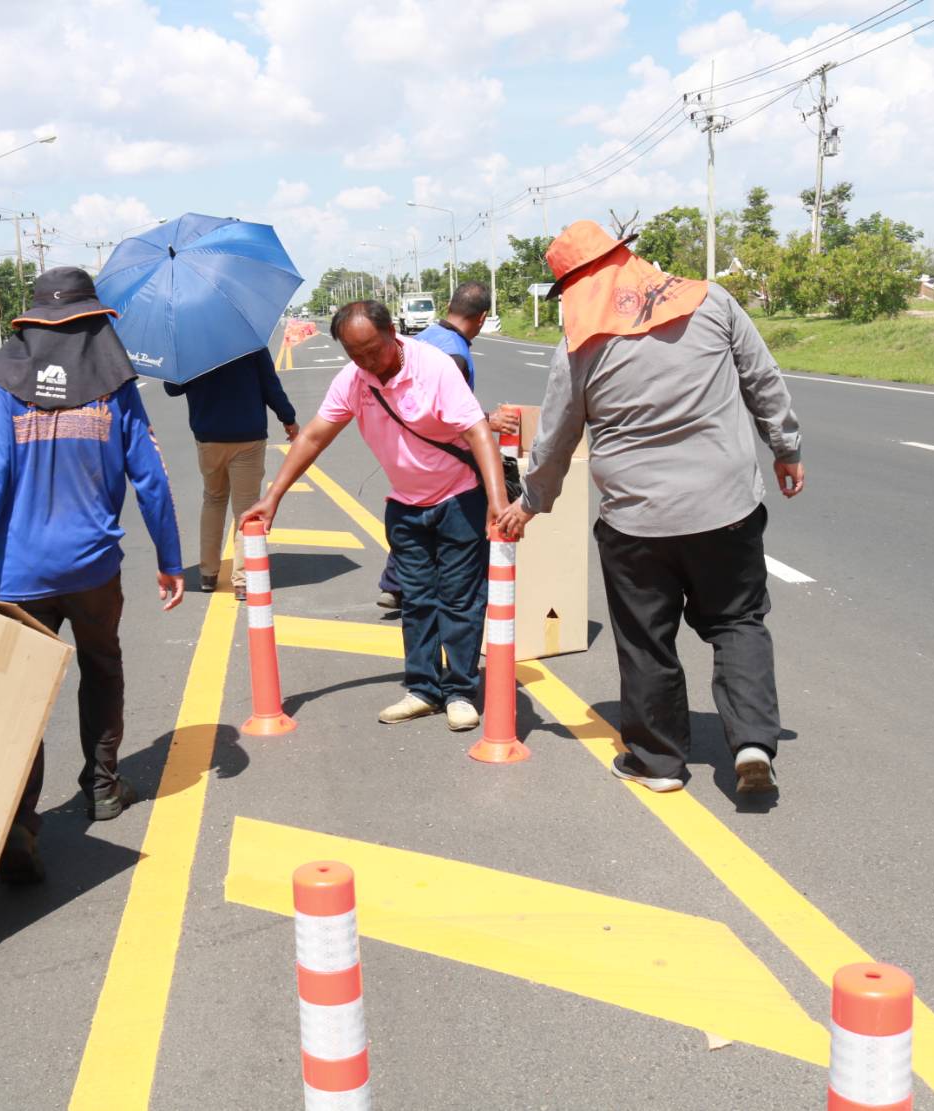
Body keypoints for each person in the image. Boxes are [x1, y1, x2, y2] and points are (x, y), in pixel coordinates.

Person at [496, 221, 804, 796]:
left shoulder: (579, 344)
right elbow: (763, 379)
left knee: (646, 639)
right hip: (726, 509)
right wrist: (785, 448)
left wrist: (531, 502)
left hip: (636, 522)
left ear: (571, 285)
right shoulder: (711, 301)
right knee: (737, 621)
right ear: (626, 257)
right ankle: (753, 743)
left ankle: (658, 762)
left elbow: (556, 438)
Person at [0, 266, 185, 882]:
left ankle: (21, 823)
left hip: (20, 575)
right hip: (94, 568)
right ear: (93, 322)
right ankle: (103, 787)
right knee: (101, 667)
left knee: (21, 695)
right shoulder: (113, 382)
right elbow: (151, 478)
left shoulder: (5, 381)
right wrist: (169, 559)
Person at [241, 300, 509, 732]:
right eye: (355, 353)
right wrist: (273, 497)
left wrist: (496, 501)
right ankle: (423, 690)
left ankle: (460, 691)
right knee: (417, 601)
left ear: (393, 334)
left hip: (460, 499)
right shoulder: (353, 380)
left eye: (373, 350)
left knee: (460, 600)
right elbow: (314, 437)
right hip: (405, 506)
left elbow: (478, 431)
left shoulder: (433, 367)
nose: (367, 361)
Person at [377, 281, 519, 610]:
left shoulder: (425, 337)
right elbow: (440, 408)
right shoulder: (455, 353)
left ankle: (395, 585)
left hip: (406, 450)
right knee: (453, 523)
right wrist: (487, 420)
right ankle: (445, 593)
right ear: (482, 318)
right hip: (441, 453)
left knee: (413, 515)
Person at [164, 348, 299, 601]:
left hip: (208, 437)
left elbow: (172, 388)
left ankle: (208, 574)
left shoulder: (189, 345)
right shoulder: (250, 342)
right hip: (248, 436)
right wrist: (288, 419)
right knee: (246, 509)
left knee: (213, 500)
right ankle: (243, 581)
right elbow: (270, 386)